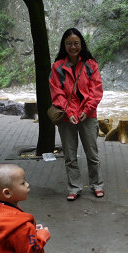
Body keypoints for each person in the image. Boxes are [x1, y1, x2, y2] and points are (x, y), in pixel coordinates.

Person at [49, 28, 104, 201]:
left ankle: (97, 185)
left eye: (76, 43)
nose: (73, 47)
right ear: (64, 46)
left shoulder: (90, 65)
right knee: (70, 155)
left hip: (88, 116)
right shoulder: (58, 67)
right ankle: (74, 187)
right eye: (69, 44)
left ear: (81, 44)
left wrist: (86, 111)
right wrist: (69, 112)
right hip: (67, 117)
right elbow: (57, 93)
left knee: (92, 154)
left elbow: (96, 91)